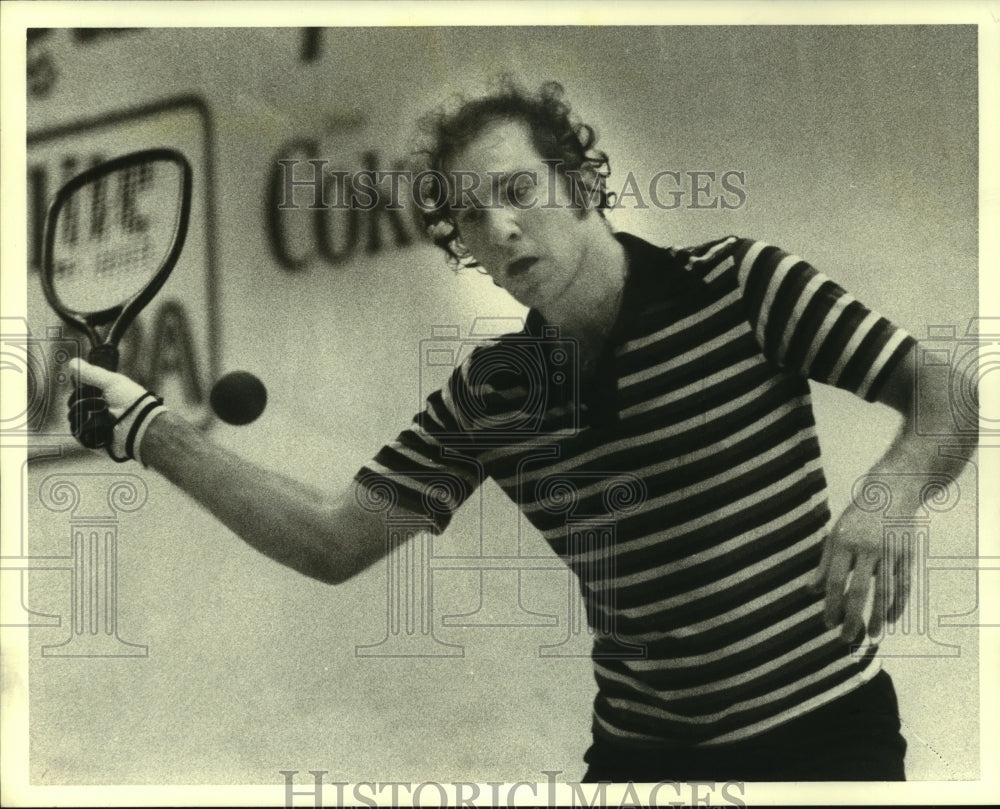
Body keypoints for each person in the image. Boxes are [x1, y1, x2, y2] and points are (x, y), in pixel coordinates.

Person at [69, 78, 975, 782]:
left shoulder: (742, 284)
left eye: (517, 191)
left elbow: (949, 398)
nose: (499, 229)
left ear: (579, 184)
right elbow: (331, 540)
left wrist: (886, 496)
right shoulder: (495, 394)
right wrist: (151, 431)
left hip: (827, 739)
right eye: (470, 214)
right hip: (644, 765)